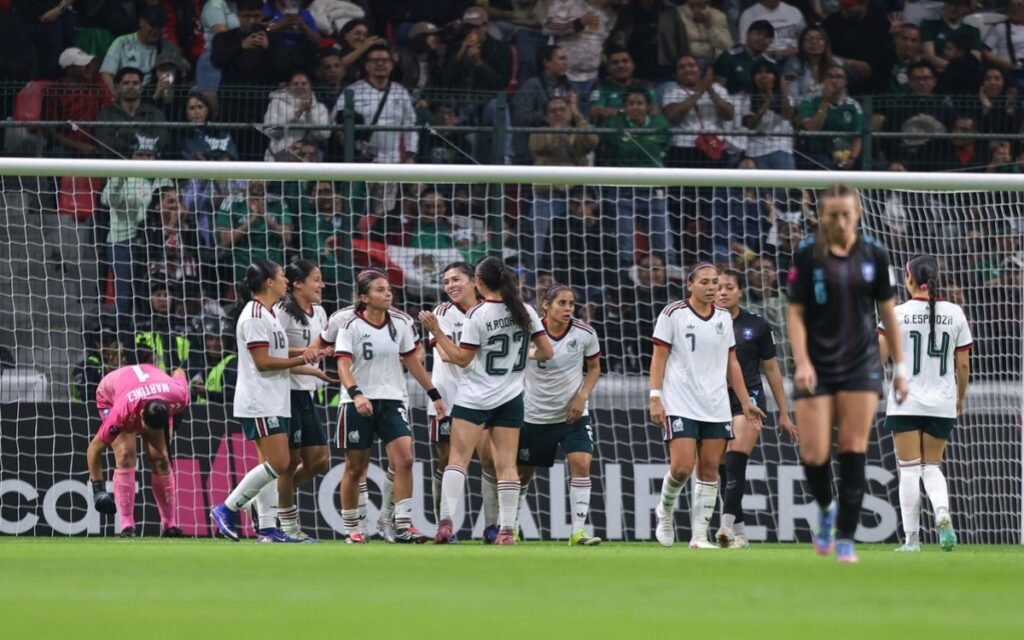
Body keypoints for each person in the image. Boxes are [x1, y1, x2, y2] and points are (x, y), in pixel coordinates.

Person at [786, 184, 909, 563]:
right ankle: (826, 508)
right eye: (833, 215)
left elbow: (888, 313)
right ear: (821, 216)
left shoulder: (874, 254)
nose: (841, 221)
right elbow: (795, 314)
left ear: (857, 214)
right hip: (817, 365)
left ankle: (845, 539)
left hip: (861, 364)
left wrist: (900, 368)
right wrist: (802, 362)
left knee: (854, 449)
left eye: (847, 214)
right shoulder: (807, 254)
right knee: (814, 453)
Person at [420, 256, 554, 544]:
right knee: (506, 466)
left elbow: (461, 359)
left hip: (475, 397)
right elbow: (546, 352)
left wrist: (437, 332)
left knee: (457, 460)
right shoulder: (525, 310)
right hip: (510, 397)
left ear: (478, 282)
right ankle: (506, 531)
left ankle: (446, 525)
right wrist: (518, 358)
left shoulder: (478, 314)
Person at [210, 260, 329, 542]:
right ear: (269, 282)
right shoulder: (254, 316)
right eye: (281, 276)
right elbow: (263, 362)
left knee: (277, 465)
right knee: (279, 463)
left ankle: (266, 528)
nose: (286, 280)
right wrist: (302, 359)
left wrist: (310, 355)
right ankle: (227, 508)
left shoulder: (269, 313)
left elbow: (277, 349)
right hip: (260, 399)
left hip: (275, 399)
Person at [649, 263, 765, 549]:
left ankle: (699, 537)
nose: (712, 287)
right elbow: (659, 357)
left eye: (715, 282)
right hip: (680, 401)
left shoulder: (723, 317)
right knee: (682, 468)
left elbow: (732, 363)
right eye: (705, 282)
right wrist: (655, 396)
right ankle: (665, 511)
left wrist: (746, 402)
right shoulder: (673, 313)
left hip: (716, 403)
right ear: (690, 284)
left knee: (711, 468)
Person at [335, 270, 442, 544]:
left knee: (405, 459)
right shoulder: (350, 325)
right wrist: (357, 395)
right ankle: (353, 529)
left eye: (388, 289)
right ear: (364, 297)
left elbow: (412, 360)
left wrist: (434, 394)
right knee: (355, 468)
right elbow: (343, 365)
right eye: (380, 290)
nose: (387, 294)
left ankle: (403, 525)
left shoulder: (402, 322)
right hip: (357, 402)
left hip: (392, 399)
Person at [879, 255, 972, 552]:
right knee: (932, 466)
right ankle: (942, 511)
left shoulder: (896, 314)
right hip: (942, 402)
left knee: (908, 470)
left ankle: (912, 540)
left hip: (905, 401)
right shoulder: (955, 313)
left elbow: (878, 358)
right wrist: (960, 398)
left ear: (908, 279)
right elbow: (963, 365)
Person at [712, 269, 797, 549]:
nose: (723, 292)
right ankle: (741, 534)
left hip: (750, 400)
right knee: (723, 468)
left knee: (735, 459)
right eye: (718, 287)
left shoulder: (756, 325)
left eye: (729, 287)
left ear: (740, 292)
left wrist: (784, 412)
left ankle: (725, 527)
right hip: (714, 401)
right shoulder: (704, 325)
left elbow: (771, 369)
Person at [518, 285, 603, 546]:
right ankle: (511, 525)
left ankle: (578, 532)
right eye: (562, 303)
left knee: (582, 464)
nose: (568, 309)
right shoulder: (528, 332)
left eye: (571, 304)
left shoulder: (585, 333)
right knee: (522, 475)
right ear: (546, 305)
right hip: (535, 415)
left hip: (572, 415)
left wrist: (582, 396)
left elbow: (594, 368)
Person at [86, 363, 191, 537]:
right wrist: (98, 490)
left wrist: (178, 413)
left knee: (161, 460)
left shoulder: (179, 395)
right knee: (125, 455)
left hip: (150, 386)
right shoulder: (121, 412)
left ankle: (170, 525)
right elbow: (94, 449)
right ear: (141, 416)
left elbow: (179, 371)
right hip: (112, 395)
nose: (147, 433)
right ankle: (127, 526)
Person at [274, 260, 332, 541]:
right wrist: (306, 359)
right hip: (286, 392)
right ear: (297, 284)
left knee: (319, 459)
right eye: (316, 279)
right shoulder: (282, 312)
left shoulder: (319, 312)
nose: (322, 285)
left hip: (307, 392)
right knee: (289, 462)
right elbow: (272, 353)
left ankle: (269, 499)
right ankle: (287, 525)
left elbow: (317, 348)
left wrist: (327, 353)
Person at [263, 71, 332, 161]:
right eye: (295, 84)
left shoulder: (320, 107)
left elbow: (324, 134)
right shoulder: (276, 103)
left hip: (309, 156)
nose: (300, 86)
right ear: (289, 86)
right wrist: (296, 114)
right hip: (279, 153)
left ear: (310, 86)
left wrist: (309, 114)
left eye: (304, 83)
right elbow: (270, 130)